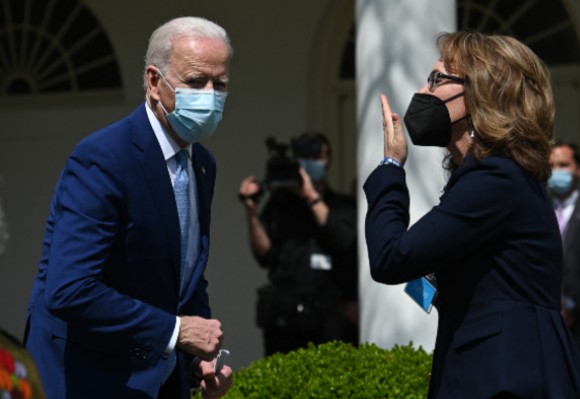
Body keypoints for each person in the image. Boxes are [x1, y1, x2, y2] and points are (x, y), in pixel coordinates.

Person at [24, 17, 233, 399]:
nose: (209, 95)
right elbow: (70, 289)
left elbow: (182, 277)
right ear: (155, 82)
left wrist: (200, 359)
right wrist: (176, 331)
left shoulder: (203, 164)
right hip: (89, 377)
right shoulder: (104, 158)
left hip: (161, 378)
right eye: (195, 81)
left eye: (219, 84)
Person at [364, 31, 580, 398]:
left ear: (483, 93)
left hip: (507, 376)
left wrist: (390, 165)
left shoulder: (497, 178)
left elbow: (391, 257)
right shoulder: (493, 177)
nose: (422, 91)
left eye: (436, 79)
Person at [239, 131, 358, 356]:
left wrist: (311, 196)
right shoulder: (280, 205)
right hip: (286, 321)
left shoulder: (343, 206)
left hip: (332, 319)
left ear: (328, 159)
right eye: (305, 156)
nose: (311, 162)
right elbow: (264, 256)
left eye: (316, 156)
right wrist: (251, 212)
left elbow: (345, 241)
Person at [549, 140, 580, 347]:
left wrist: (571, 305)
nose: (556, 172)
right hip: (546, 321)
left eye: (563, 165)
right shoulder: (539, 208)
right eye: (551, 166)